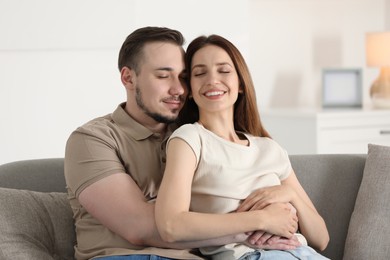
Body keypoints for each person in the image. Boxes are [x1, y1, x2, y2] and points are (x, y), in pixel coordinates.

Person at [64, 27, 298, 260]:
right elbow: (140, 228)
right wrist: (260, 223)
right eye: (163, 76)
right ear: (128, 78)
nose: (179, 89)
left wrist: (284, 196)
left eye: (184, 78)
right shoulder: (92, 140)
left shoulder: (195, 136)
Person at [155, 35, 330, 260]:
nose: (212, 80)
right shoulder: (189, 139)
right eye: (200, 73)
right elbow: (171, 225)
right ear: (189, 89)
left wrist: (290, 195)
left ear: (240, 83)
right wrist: (263, 219)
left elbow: (322, 239)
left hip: (304, 253)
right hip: (250, 255)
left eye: (224, 71)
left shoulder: (270, 148)